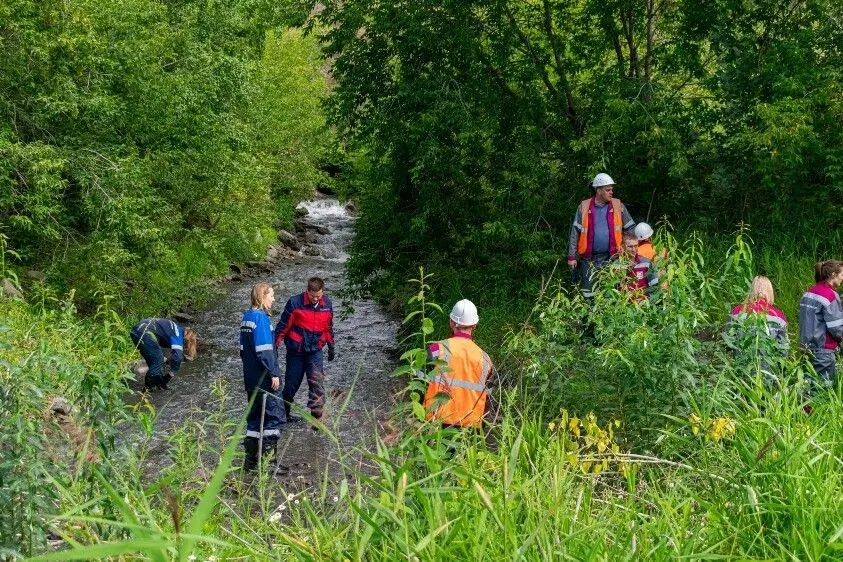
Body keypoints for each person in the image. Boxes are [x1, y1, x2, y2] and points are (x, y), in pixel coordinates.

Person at [424, 299, 494, 428]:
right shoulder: (486, 359)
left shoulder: (437, 348)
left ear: (451, 322)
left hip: (438, 421)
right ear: (474, 325)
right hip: (470, 427)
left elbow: (420, 377)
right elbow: (488, 397)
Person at [274, 277, 335, 425]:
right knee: (291, 385)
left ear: (322, 292)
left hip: (315, 351)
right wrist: (274, 347)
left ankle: (317, 421)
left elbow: (328, 327)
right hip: (296, 352)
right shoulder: (295, 303)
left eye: (318, 296)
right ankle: (284, 415)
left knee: (317, 385)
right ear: (307, 291)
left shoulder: (327, 304)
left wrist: (331, 345)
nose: (315, 299)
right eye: (313, 295)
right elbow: (283, 327)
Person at [568, 173, 636, 298]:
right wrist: (572, 256)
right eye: (608, 190)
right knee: (589, 295)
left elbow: (631, 229)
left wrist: (631, 253)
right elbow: (575, 233)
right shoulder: (583, 207)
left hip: (613, 258)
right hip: (589, 260)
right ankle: (589, 317)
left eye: (612, 189)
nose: (611, 192)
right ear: (598, 190)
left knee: (612, 294)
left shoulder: (618, 206)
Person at [240, 283, 285, 470]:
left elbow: (243, 351)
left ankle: (250, 462)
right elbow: (265, 351)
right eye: (271, 295)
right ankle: (269, 464)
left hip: (250, 378)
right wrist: (274, 372)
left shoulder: (246, 317)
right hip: (264, 378)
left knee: (254, 418)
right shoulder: (261, 319)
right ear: (262, 296)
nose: (273, 299)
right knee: (274, 418)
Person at [726, 276, 789, 382]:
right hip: (768, 372)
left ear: (751, 290)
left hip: (741, 370)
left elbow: (728, 342)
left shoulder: (736, 312)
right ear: (770, 292)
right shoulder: (778, 316)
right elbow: (783, 348)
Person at [798, 260, 843, 397]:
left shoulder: (809, 293)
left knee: (807, 386)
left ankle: (804, 414)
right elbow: (837, 328)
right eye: (842, 274)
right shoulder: (830, 295)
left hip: (806, 348)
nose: (842, 278)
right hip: (823, 350)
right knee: (822, 390)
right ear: (833, 274)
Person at [129, 318, 196, 391]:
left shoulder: (175, 328)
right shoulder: (178, 334)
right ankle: (147, 389)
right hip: (145, 332)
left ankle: (159, 384)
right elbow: (178, 357)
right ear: (186, 337)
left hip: (136, 330)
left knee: (154, 360)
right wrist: (170, 374)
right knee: (158, 360)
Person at [618, 231, 659, 300]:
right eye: (630, 247)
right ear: (622, 246)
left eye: (636, 246)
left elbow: (655, 287)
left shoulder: (647, 263)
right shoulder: (616, 265)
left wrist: (647, 301)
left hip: (642, 306)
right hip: (623, 306)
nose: (634, 250)